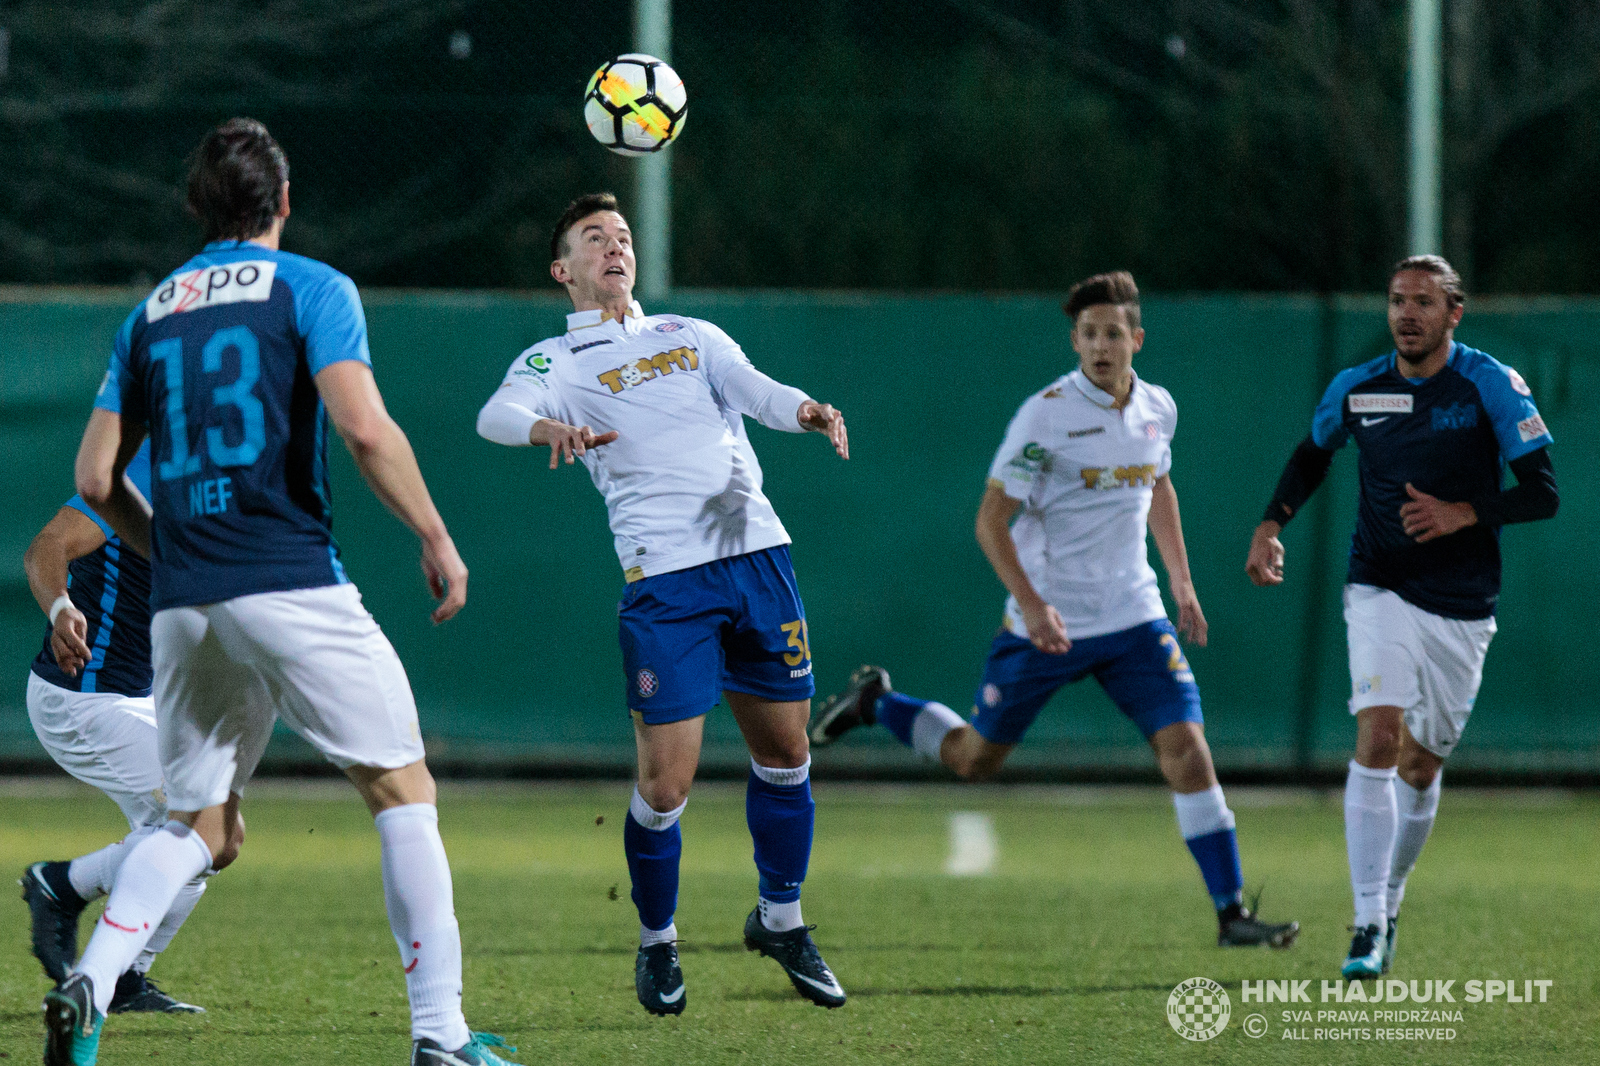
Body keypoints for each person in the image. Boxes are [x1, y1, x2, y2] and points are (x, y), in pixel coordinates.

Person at [44, 118, 517, 1066]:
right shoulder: (311, 287)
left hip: (182, 600)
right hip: (289, 576)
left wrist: (171, 542)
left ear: (197, 208)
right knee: (401, 788)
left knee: (196, 819)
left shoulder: (153, 311)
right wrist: (434, 535)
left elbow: (95, 480)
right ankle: (441, 1035)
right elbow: (365, 429)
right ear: (284, 202)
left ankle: (93, 978)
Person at [812, 271, 1299, 949]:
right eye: (1089, 334)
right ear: (1075, 341)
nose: (1101, 346)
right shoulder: (1044, 416)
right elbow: (990, 522)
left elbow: (1158, 485)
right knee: (975, 760)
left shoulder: (1159, 406)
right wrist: (1033, 606)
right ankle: (877, 704)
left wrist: (1181, 582)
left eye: (1113, 334)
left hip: (1133, 619)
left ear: (1137, 339)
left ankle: (1231, 914)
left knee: (1188, 751)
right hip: (1046, 624)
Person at [476, 192, 851, 1015]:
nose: (614, 247)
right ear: (561, 268)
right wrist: (548, 431)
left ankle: (780, 919)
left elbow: (756, 391)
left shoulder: (690, 335)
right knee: (666, 786)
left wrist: (808, 410)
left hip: (758, 561)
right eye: (592, 238)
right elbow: (495, 416)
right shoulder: (557, 362)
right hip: (667, 585)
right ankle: (657, 941)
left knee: (787, 755)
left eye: (620, 236)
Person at [1245, 255, 1558, 979]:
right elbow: (1311, 456)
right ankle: (1364, 925)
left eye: (1424, 301)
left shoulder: (1490, 385)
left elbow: (1543, 492)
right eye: (1395, 300)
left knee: (1421, 764)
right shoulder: (1358, 388)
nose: (1406, 314)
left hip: (1462, 606)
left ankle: (1390, 899)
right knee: (1379, 736)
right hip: (1378, 586)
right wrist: (1271, 526)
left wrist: (1464, 513)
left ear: (1455, 313)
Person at [22, 440, 222, 1013]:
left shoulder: (238, 482)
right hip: (83, 697)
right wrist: (62, 609)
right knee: (196, 823)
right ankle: (64, 887)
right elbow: (47, 547)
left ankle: (123, 970)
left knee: (211, 840)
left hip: (146, 695)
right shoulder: (153, 470)